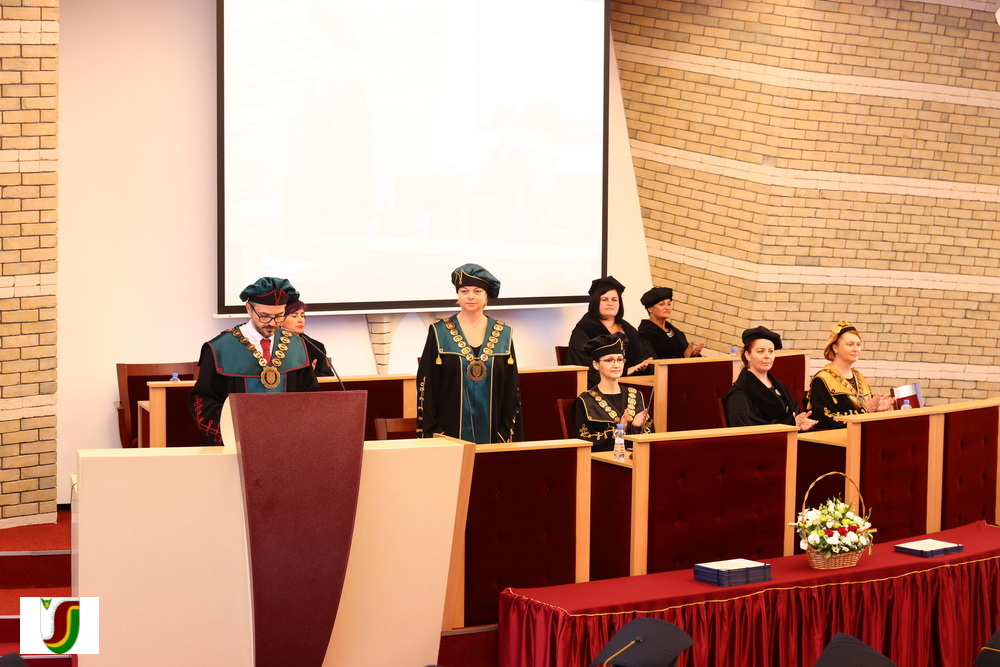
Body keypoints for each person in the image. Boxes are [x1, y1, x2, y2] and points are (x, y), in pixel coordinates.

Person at [189, 277, 320, 444]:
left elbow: (310, 397)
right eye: (264, 316)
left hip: (289, 442)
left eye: (279, 316)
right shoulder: (220, 348)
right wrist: (233, 438)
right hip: (238, 444)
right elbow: (203, 400)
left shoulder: (296, 345)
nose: (272, 323)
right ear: (249, 309)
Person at [416, 264, 523, 444]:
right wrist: (437, 433)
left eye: (477, 291)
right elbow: (428, 386)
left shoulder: (503, 334)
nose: (470, 296)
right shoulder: (439, 332)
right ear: (458, 295)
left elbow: (511, 389)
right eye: (464, 291)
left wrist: (503, 433)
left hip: (494, 437)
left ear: (486, 295)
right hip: (448, 437)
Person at [724, 326, 817, 431]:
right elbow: (750, 431)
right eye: (760, 351)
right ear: (747, 355)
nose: (767, 356)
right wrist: (791, 423)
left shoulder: (778, 385)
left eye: (771, 351)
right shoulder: (739, 394)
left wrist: (801, 423)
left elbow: (794, 414)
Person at [566, 276, 652, 387]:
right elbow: (583, 366)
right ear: (595, 302)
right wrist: (624, 372)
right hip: (598, 389)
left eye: (614, 300)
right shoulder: (584, 330)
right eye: (604, 299)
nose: (610, 303)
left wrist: (643, 365)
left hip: (632, 385)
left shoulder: (629, 330)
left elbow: (640, 356)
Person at [573, 333, 652, 452]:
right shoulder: (585, 401)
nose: (616, 365)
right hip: (602, 460)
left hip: (636, 458)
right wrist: (620, 431)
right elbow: (583, 441)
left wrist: (635, 427)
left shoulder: (636, 396)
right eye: (609, 360)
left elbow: (651, 436)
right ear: (596, 364)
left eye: (620, 360)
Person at [808, 320, 893, 430]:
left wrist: (875, 408)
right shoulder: (822, 379)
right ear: (835, 348)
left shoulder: (858, 376)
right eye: (850, 344)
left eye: (858, 345)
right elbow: (824, 419)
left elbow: (865, 408)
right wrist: (865, 411)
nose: (856, 349)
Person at [637, 286, 705, 359]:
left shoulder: (678, 333)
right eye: (662, 304)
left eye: (669, 304)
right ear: (650, 308)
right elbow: (651, 362)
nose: (667, 308)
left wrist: (693, 355)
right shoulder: (644, 334)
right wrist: (684, 357)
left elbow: (687, 356)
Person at [282, 299, 334, 376]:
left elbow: (328, 377)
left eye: (302, 316)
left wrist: (310, 373)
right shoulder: (270, 343)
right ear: (280, 320)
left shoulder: (315, 347)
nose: (300, 320)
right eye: (294, 316)